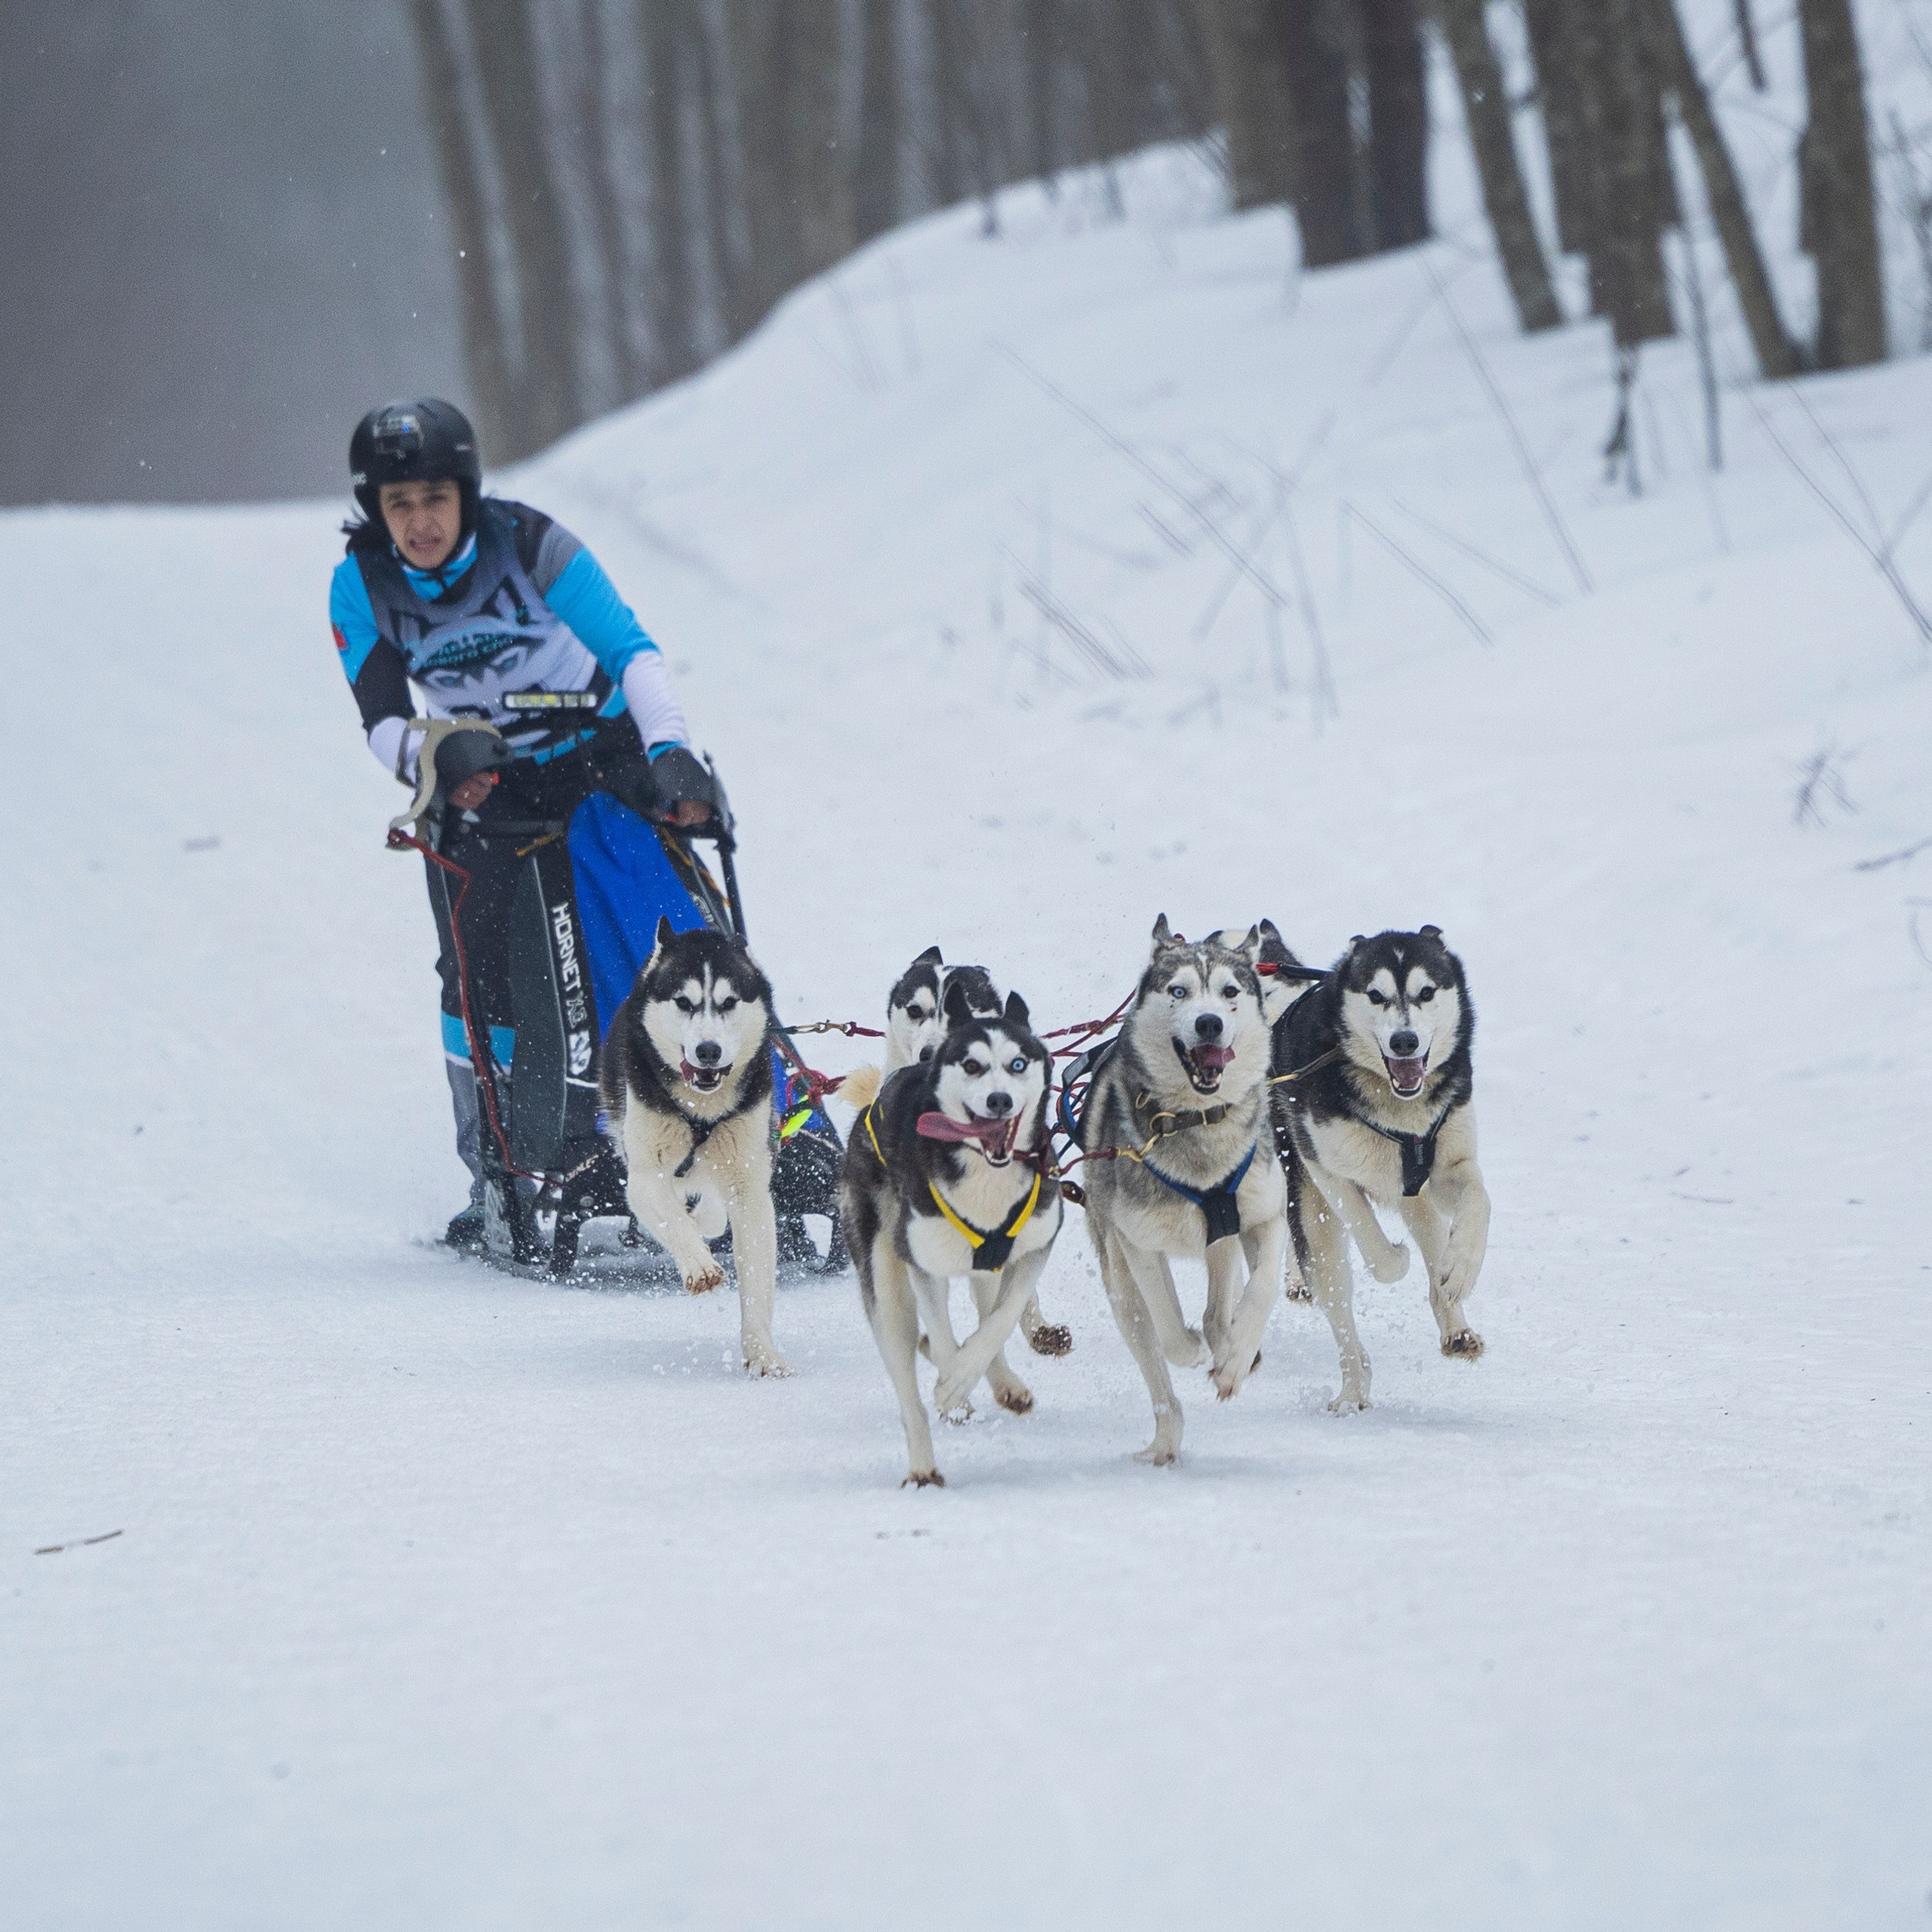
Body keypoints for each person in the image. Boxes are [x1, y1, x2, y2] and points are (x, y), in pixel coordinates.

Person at [330, 398, 715, 1249]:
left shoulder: (534, 544)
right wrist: (430, 761)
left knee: (661, 931)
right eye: (398, 505)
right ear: (375, 513)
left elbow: (632, 652)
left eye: (433, 498)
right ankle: (501, 1165)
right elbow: (381, 717)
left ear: (466, 494)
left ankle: (729, 1125)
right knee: (477, 966)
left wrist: (672, 753)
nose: (419, 521)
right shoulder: (360, 585)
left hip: (598, 749)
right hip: (481, 774)